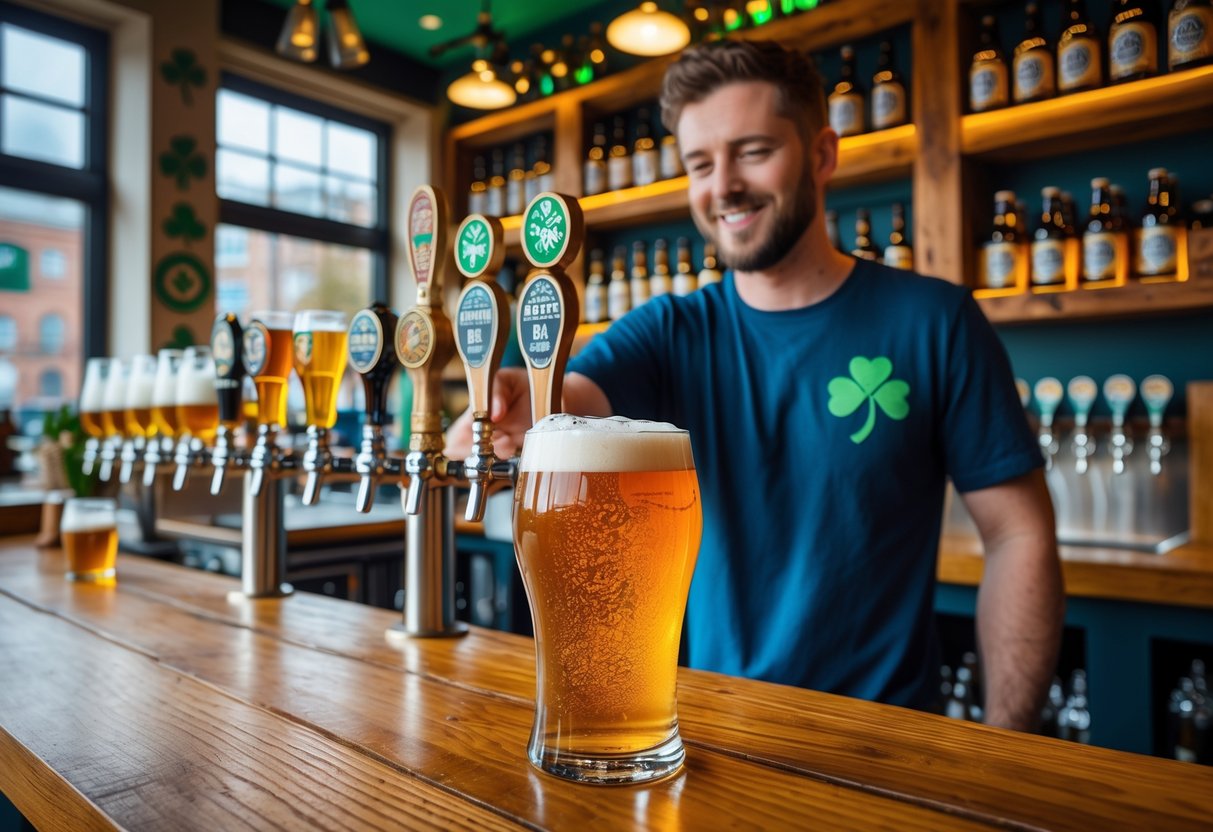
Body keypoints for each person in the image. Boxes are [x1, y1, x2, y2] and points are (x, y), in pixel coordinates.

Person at [448, 40, 1063, 731]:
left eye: (753, 151)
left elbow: (1018, 535)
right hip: (712, 737)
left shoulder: (935, 321)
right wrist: (508, 403)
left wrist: (1004, 742)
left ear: (822, 155)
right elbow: (568, 401)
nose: (723, 186)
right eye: (700, 164)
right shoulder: (671, 330)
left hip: (890, 747)